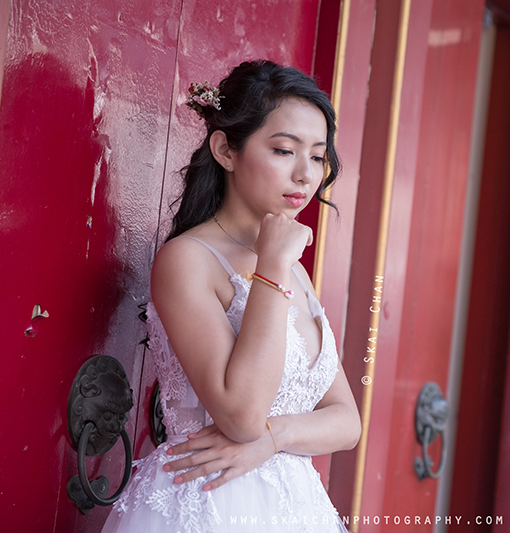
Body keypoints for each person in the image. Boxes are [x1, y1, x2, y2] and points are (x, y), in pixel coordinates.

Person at [101, 60, 361, 533]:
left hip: (295, 509)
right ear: (225, 149)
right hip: (206, 504)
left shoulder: (291, 270)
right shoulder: (190, 260)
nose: (306, 175)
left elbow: (346, 422)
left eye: (319, 156)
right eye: (284, 150)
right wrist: (273, 266)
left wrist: (273, 439)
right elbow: (241, 415)